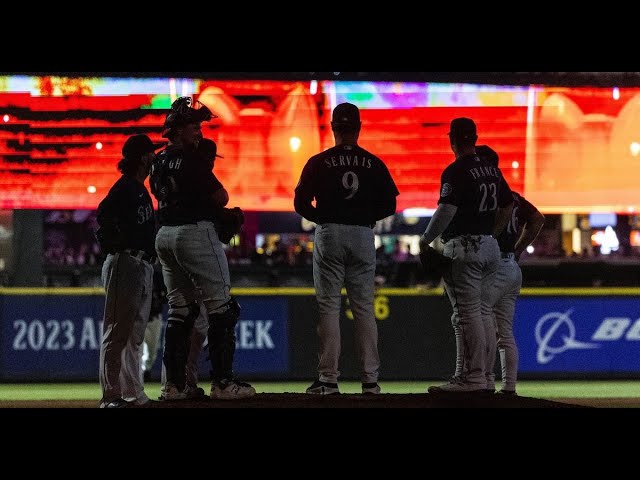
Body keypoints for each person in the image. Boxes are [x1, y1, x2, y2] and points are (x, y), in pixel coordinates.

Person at [150, 96, 255, 400]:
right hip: (194, 233)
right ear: (178, 129)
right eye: (193, 126)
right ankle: (223, 383)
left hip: (165, 236)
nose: (198, 131)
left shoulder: (158, 160)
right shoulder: (191, 159)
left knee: (180, 311)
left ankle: (174, 386)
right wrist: (221, 214)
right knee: (222, 307)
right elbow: (220, 196)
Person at [294, 102, 399, 395]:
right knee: (364, 308)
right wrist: (363, 216)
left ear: (332, 128)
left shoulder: (318, 161)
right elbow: (390, 203)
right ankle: (370, 381)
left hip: (330, 232)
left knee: (329, 307)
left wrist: (323, 218)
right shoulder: (374, 162)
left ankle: (328, 380)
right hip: (363, 234)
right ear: (359, 127)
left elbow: (300, 202)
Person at [419, 118, 513, 394]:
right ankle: (483, 377)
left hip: (465, 246)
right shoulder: (492, 170)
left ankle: (472, 378)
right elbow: (507, 206)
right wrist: (490, 233)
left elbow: (446, 210)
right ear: (474, 137)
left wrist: (426, 240)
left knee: (467, 314)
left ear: (452, 140)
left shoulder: (456, 170)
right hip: (489, 246)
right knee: (483, 313)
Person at [95, 134, 160, 408]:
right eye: (151, 153)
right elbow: (103, 214)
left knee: (134, 335)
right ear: (143, 157)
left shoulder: (140, 188)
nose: (155, 158)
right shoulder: (124, 187)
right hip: (124, 262)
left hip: (140, 264)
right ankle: (110, 397)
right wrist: (115, 241)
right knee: (116, 332)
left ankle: (134, 394)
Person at [490, 188, 545, 395]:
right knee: (504, 332)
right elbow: (538, 219)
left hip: (493, 265)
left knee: (480, 321)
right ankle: (509, 386)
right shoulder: (513, 197)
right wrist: (518, 249)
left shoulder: (487, 191)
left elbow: (538, 219)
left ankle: (483, 382)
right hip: (511, 266)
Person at [141, 262, 167, 382]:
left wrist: (159, 299)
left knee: (152, 351)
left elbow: (165, 295)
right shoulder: (138, 271)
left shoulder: (158, 274)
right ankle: (139, 374)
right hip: (139, 318)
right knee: (137, 349)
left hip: (154, 317)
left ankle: (146, 370)